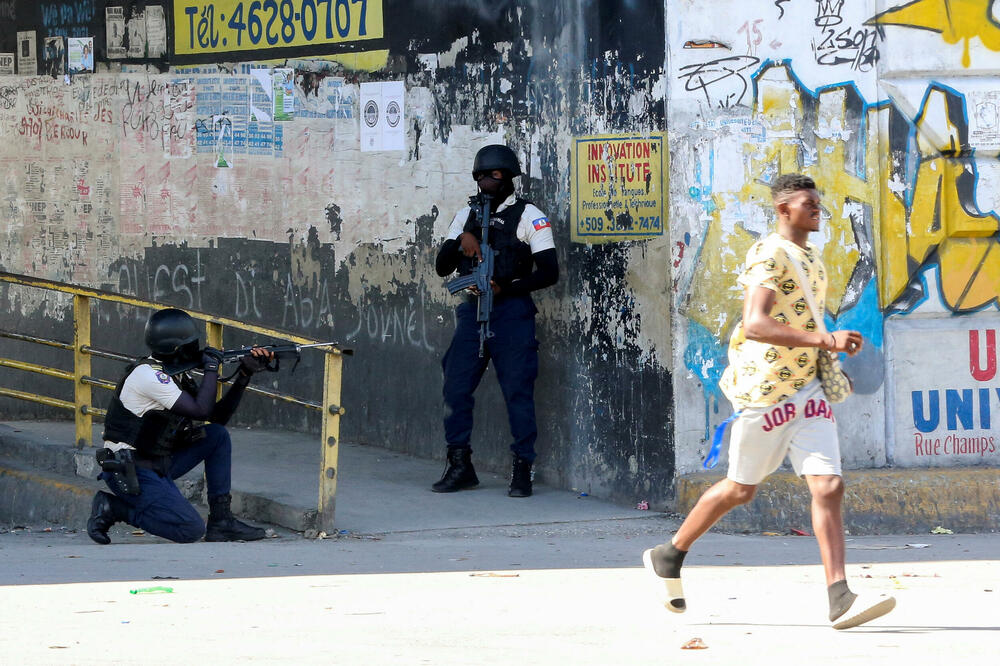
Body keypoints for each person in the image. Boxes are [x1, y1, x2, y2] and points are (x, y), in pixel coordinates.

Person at [642, 174, 896, 630]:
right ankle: (670, 554)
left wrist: (830, 346)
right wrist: (824, 338)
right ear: (784, 210)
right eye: (808, 203)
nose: (818, 209)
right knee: (741, 489)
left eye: (818, 202)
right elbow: (755, 323)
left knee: (828, 485)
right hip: (766, 392)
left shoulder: (812, 258)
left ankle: (839, 595)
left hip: (808, 389)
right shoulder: (768, 254)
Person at [432, 144, 559, 498]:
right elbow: (443, 266)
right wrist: (461, 241)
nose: (487, 181)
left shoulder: (530, 215)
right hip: (471, 312)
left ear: (508, 178)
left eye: (495, 175)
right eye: (482, 175)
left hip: (512, 314)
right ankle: (460, 465)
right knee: (455, 387)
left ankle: (522, 469)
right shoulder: (465, 216)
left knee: (517, 391)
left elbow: (549, 272)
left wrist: (507, 287)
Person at [87, 308, 274, 544]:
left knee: (216, 435)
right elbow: (201, 411)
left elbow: (215, 418)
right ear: (177, 348)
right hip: (130, 470)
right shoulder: (149, 376)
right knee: (190, 530)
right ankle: (114, 508)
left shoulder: (175, 375)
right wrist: (210, 369)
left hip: (159, 462)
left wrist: (244, 374)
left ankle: (221, 520)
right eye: (191, 343)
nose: (196, 348)